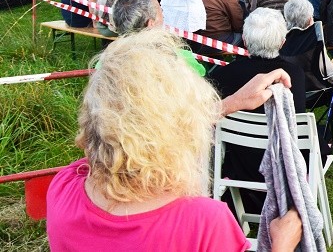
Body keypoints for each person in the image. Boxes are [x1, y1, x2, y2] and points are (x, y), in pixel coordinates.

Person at [46, 29, 303, 252]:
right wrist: (282, 244)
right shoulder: (203, 223)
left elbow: (126, 134)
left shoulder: (63, 189)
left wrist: (233, 103)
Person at [210, 7, 305, 218]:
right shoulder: (294, 75)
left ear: (243, 39)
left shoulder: (222, 76)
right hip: (285, 173)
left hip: (239, 172)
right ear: (282, 42)